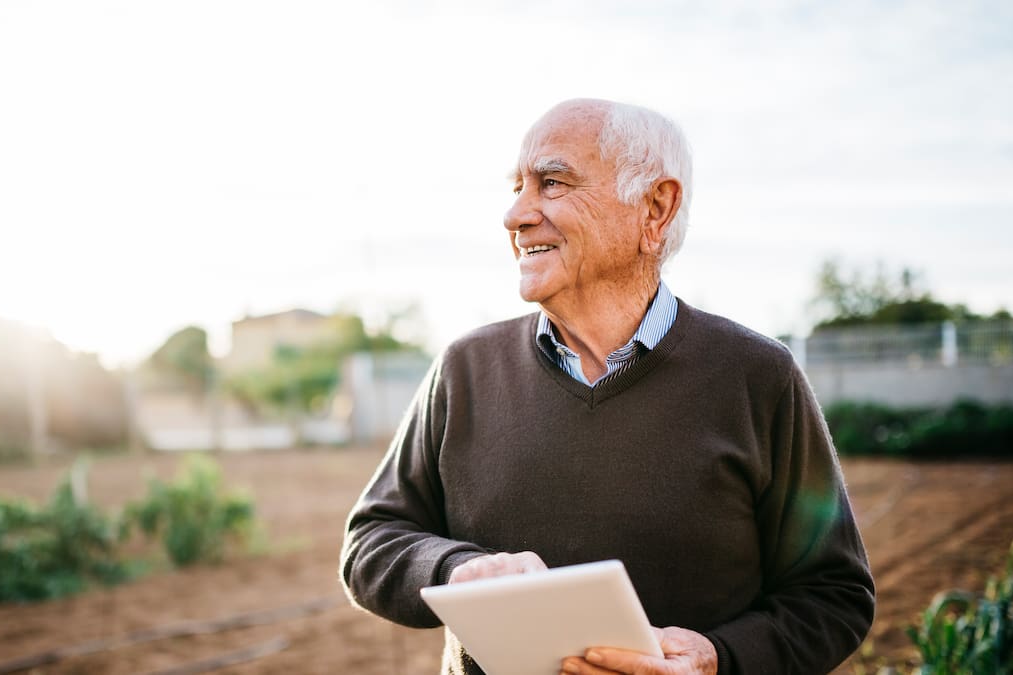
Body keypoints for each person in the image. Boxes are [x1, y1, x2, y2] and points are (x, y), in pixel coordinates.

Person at [340, 98, 874, 675]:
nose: (515, 215)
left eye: (551, 183)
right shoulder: (465, 369)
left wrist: (717, 658)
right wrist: (453, 570)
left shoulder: (759, 377)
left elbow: (834, 595)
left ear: (655, 209)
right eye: (516, 187)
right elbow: (372, 540)